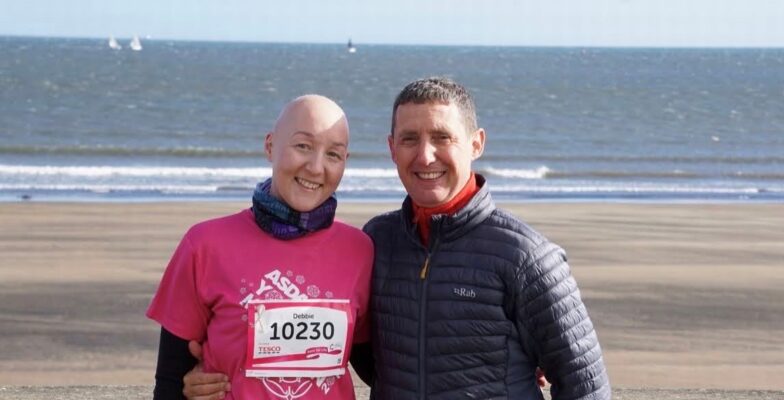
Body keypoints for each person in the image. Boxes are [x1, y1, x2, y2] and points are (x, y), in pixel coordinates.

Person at [184, 77, 610, 399]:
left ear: (476, 143)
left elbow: (584, 384)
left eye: (442, 137)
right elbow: (351, 349)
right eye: (410, 139)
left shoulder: (527, 256)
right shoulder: (377, 242)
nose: (425, 156)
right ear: (391, 148)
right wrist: (210, 371)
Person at [147, 94, 374, 399]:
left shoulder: (360, 251)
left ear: (345, 163)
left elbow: (384, 368)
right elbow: (170, 382)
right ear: (270, 146)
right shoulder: (204, 244)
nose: (316, 167)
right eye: (303, 146)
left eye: (333, 154)